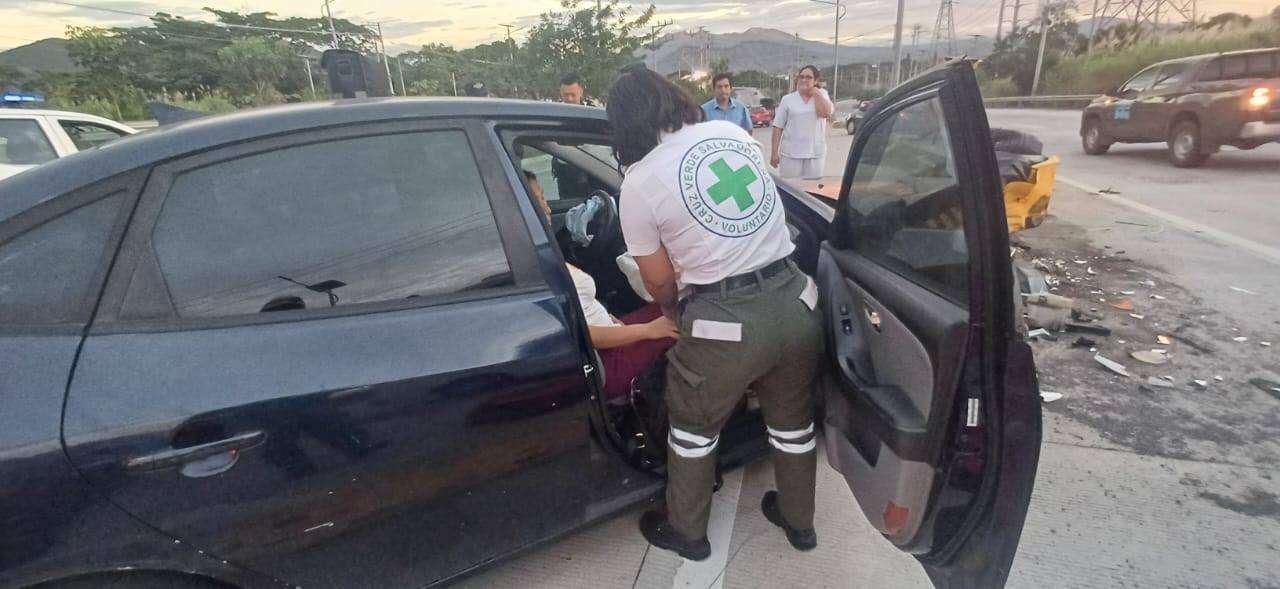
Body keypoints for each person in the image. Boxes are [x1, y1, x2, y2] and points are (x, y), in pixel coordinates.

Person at [607, 67, 823, 560]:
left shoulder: (639, 183)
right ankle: (799, 522)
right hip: (795, 298)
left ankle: (687, 531)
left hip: (725, 322)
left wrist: (671, 312)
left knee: (691, 429)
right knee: (792, 424)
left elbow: (660, 280)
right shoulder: (728, 133)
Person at [523, 170, 678, 399]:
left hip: (614, 333)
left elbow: (580, 309)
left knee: (677, 308)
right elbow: (578, 333)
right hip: (606, 361)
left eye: (544, 198)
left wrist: (613, 320)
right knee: (690, 323)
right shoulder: (530, 265)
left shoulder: (538, 251)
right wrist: (648, 331)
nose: (546, 208)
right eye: (537, 202)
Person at [770, 65, 834, 179]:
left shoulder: (822, 94)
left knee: (812, 190)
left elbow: (825, 114)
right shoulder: (787, 99)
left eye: (808, 77)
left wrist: (816, 93)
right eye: (801, 77)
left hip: (815, 154)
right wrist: (774, 153)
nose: (804, 80)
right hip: (791, 156)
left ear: (816, 80)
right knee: (791, 190)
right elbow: (778, 127)